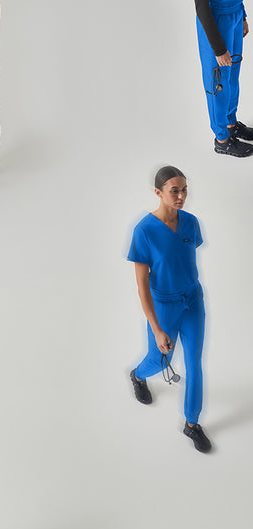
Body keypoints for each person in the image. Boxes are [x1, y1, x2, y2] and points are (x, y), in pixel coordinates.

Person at [127, 166, 212, 453]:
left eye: (184, 189)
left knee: (194, 363)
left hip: (193, 301)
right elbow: (142, 286)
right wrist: (157, 327)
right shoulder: (144, 231)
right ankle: (138, 375)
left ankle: (192, 423)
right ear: (158, 193)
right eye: (174, 190)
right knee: (160, 360)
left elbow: (183, 259)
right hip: (163, 305)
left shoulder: (191, 223)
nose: (180, 196)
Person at [195, 0, 253, 156]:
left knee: (232, 77)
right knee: (218, 84)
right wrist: (219, 49)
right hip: (216, 20)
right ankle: (222, 140)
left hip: (234, 15)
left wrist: (242, 15)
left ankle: (231, 123)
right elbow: (201, 7)